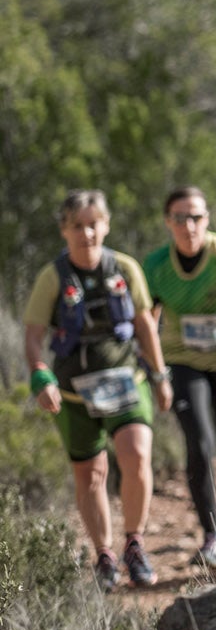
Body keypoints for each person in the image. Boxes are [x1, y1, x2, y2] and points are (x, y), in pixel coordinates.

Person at [22, 190, 172, 591]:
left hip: (127, 381)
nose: (86, 233)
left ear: (105, 225)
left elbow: (144, 325)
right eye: (77, 226)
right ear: (64, 230)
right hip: (74, 393)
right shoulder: (53, 277)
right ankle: (104, 554)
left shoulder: (125, 267)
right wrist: (41, 377)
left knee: (136, 453)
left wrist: (160, 376)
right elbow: (34, 337)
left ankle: (135, 543)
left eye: (93, 224)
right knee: (91, 473)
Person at [143, 186, 216, 566]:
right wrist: (158, 372)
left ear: (207, 219)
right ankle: (212, 534)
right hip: (184, 361)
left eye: (196, 217)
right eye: (180, 218)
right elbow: (149, 320)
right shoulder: (157, 265)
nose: (189, 225)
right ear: (168, 222)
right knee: (200, 444)